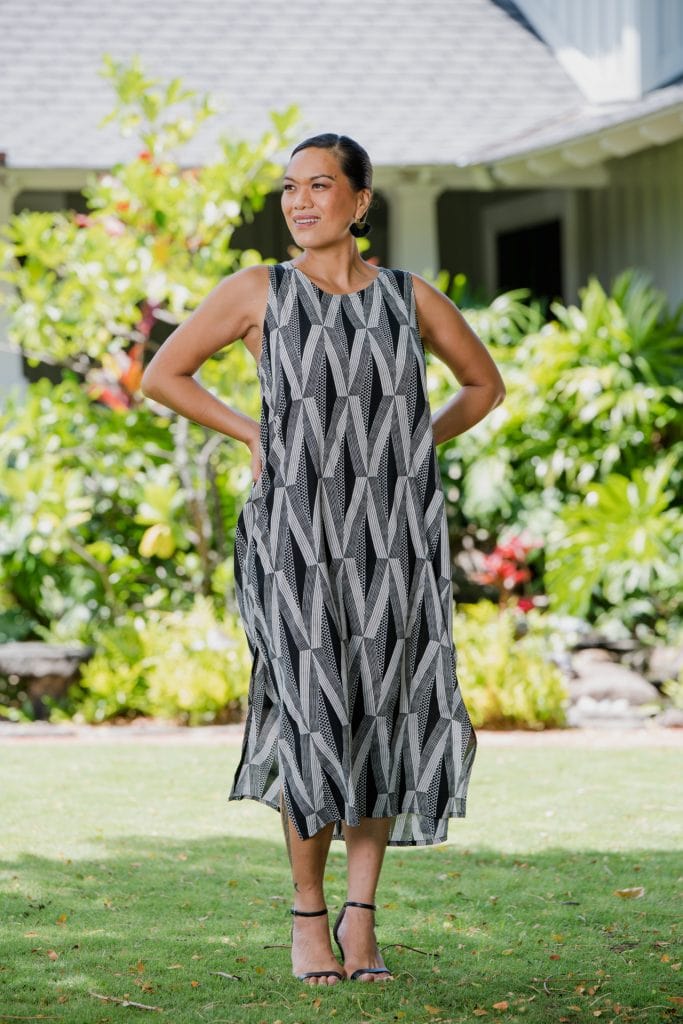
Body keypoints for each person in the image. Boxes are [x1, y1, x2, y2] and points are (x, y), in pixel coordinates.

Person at [141, 132, 506, 986]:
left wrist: (410, 441)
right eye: (288, 188)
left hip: (393, 538)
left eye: (319, 185)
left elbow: (481, 386)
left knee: (381, 708)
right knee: (310, 712)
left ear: (360, 202)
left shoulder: (406, 297)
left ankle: (363, 918)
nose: (300, 202)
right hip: (298, 538)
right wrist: (256, 434)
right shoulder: (257, 292)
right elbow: (166, 375)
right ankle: (309, 916)